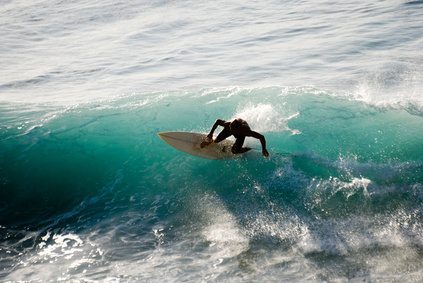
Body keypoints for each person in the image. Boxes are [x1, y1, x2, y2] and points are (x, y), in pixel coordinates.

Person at [200, 118, 269, 157]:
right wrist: (211, 133)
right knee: (216, 140)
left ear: (238, 129)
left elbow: (261, 137)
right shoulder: (229, 125)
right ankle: (211, 141)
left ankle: (247, 149)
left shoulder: (245, 131)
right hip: (235, 127)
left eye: (232, 129)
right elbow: (218, 121)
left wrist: (264, 149)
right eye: (230, 127)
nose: (230, 129)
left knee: (235, 151)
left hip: (240, 135)